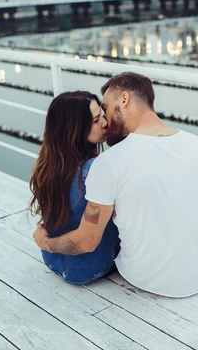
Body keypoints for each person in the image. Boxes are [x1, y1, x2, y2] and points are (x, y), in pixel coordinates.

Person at [33, 72, 198, 298]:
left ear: (124, 100)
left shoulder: (109, 163)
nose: (105, 121)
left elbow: (86, 241)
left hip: (145, 279)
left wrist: (46, 243)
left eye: (106, 108)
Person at [29, 91, 120, 285]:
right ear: (75, 130)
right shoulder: (97, 169)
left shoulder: (47, 166)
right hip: (93, 267)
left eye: (102, 115)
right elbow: (87, 241)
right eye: (96, 121)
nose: (105, 123)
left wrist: (45, 243)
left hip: (52, 261)